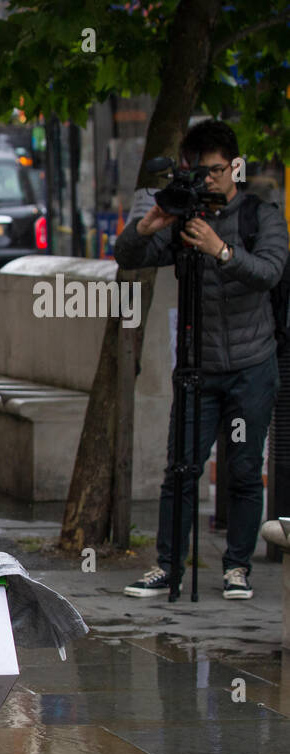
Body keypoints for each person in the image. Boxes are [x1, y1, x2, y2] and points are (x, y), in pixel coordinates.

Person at [117, 119, 289, 600]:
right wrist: (148, 225)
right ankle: (168, 566)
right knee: (181, 469)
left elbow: (270, 272)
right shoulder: (184, 221)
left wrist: (221, 250)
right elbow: (126, 255)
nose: (208, 180)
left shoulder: (261, 215)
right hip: (197, 368)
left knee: (243, 468)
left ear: (234, 167)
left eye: (216, 170)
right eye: (199, 171)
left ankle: (237, 568)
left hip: (252, 365)